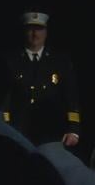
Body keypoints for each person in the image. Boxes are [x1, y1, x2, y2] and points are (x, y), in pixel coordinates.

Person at [6, 11, 81, 147]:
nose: (35, 34)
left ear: (46, 32)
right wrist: (5, 127)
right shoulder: (11, 61)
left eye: (39, 29)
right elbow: (6, 97)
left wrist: (73, 129)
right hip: (19, 132)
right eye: (31, 29)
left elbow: (71, 97)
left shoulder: (60, 62)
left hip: (52, 133)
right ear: (25, 31)